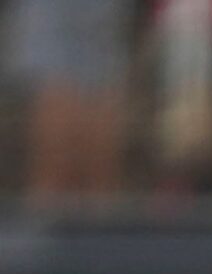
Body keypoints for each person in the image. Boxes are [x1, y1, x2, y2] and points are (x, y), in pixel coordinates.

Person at [10, 0, 131, 204]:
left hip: (104, 36)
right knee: (55, 151)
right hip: (51, 28)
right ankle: (46, 226)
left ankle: (100, 229)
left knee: (99, 162)